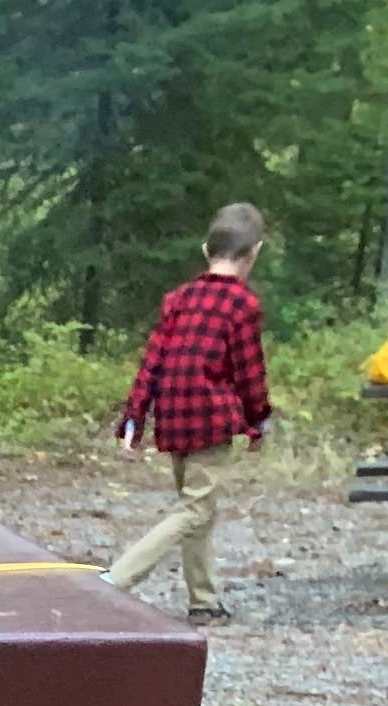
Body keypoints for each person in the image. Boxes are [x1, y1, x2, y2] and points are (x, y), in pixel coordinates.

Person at [107, 203, 275, 623]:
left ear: (205, 249)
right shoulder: (242, 305)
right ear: (255, 252)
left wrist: (135, 417)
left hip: (174, 419)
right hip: (211, 422)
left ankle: (204, 601)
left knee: (197, 507)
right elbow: (248, 371)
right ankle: (116, 579)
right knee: (195, 510)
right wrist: (259, 420)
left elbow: (153, 361)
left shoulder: (178, 299)